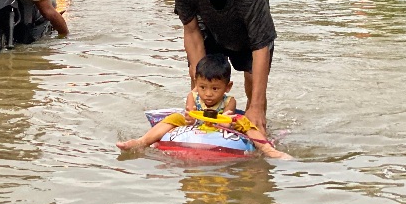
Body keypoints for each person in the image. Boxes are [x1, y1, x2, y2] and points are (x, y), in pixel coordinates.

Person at [169, 0, 276, 135]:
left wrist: (255, 107)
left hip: (248, 32)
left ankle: (258, 124)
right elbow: (191, 32)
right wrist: (195, 95)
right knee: (203, 80)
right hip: (209, 27)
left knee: (253, 84)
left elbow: (261, 45)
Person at [116, 54, 291, 159]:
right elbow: (189, 115)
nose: (208, 94)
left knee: (242, 121)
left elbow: (228, 117)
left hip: (220, 127)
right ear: (196, 85)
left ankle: (268, 149)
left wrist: (226, 123)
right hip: (196, 126)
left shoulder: (229, 101)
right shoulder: (193, 96)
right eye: (202, 87)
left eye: (215, 89)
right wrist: (189, 118)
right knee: (174, 118)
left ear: (227, 87)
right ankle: (142, 142)